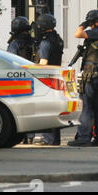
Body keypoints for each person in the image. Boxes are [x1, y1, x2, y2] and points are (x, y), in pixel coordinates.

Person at [68, 10, 98, 147]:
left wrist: (83, 24)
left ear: (94, 22)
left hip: (91, 75)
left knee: (86, 107)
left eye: (91, 23)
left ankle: (84, 137)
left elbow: (77, 34)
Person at [34, 14, 64, 146]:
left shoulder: (45, 42)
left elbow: (43, 62)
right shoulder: (58, 39)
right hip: (56, 75)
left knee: (46, 108)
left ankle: (48, 138)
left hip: (47, 78)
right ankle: (54, 138)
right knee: (54, 108)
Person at [7, 16, 35, 145]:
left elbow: (9, 60)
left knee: (18, 107)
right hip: (32, 77)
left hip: (18, 77)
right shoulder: (33, 41)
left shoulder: (15, 43)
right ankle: (30, 136)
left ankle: (21, 135)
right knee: (31, 107)